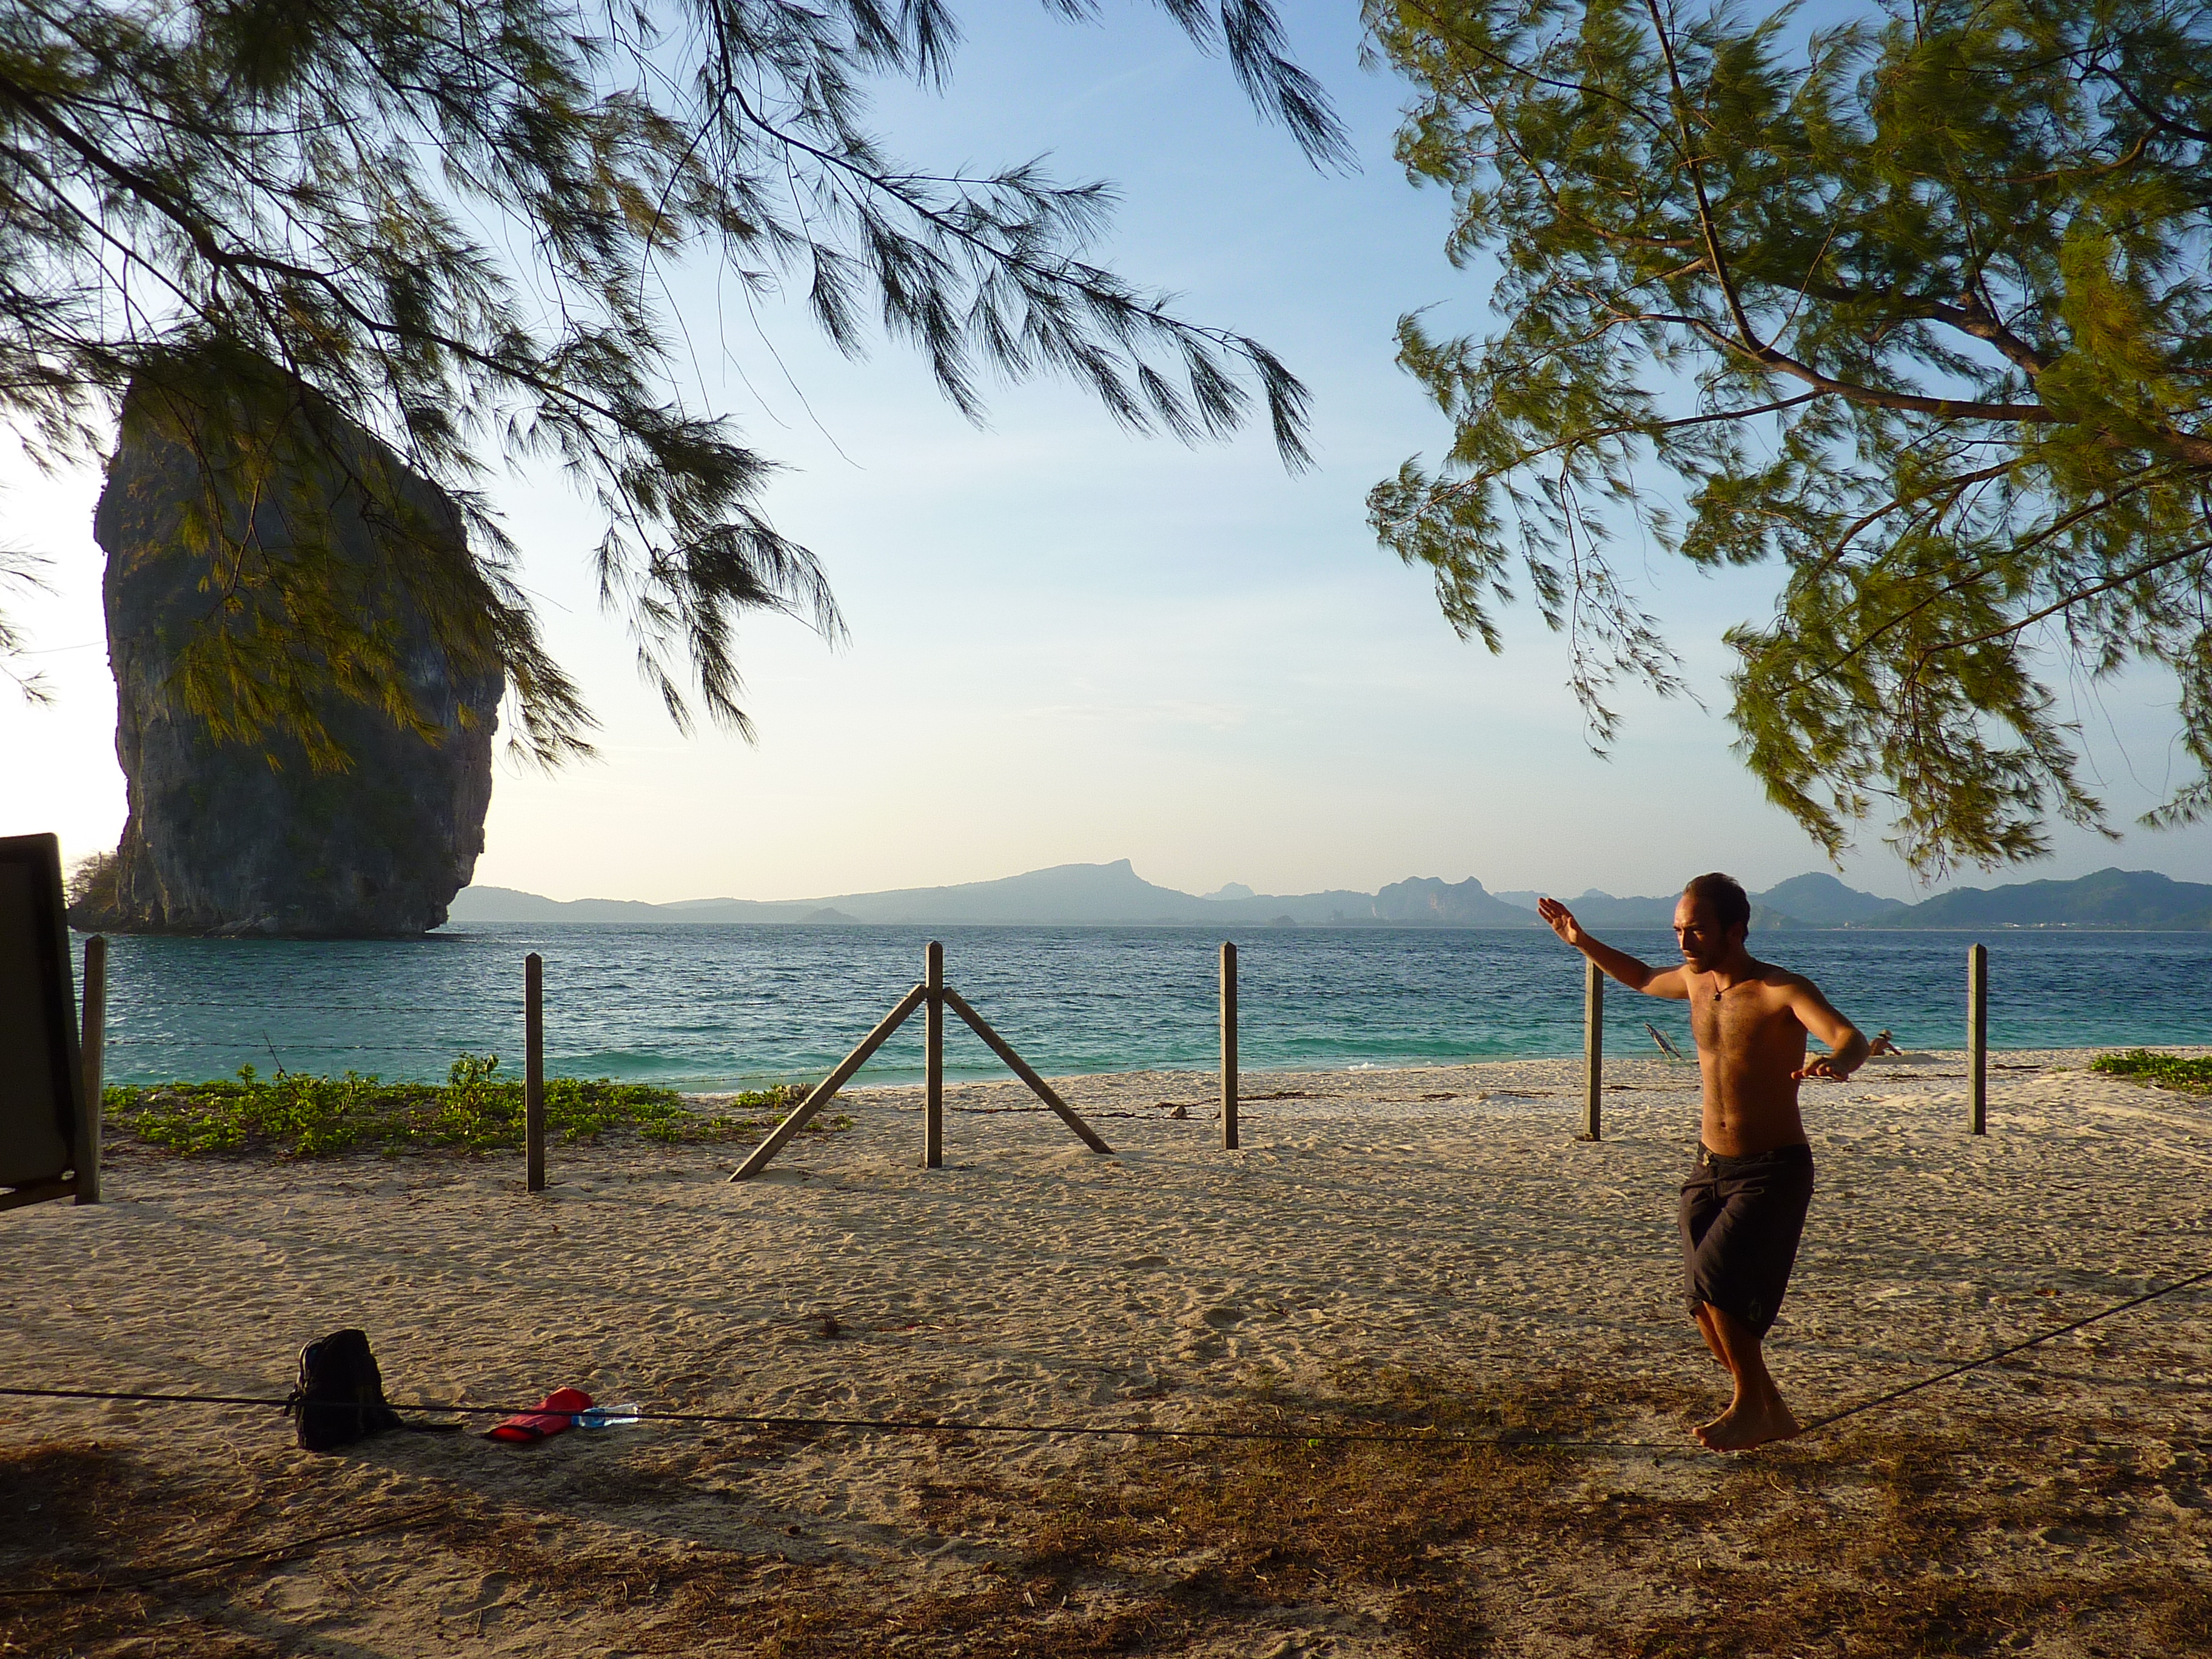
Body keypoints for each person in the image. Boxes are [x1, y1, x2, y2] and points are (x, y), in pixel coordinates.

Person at [1537, 874, 1868, 1451]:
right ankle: (1769, 1408)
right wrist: (1581, 941)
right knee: (1700, 1300)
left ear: (1735, 930)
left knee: (1718, 1282)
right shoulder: (1694, 983)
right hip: (1709, 1165)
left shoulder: (1780, 990)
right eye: (1678, 931)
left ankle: (1748, 1405)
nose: (1684, 942)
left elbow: (1849, 1036)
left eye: (1695, 930)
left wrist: (1835, 1061)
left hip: (1772, 1168)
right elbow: (1642, 977)